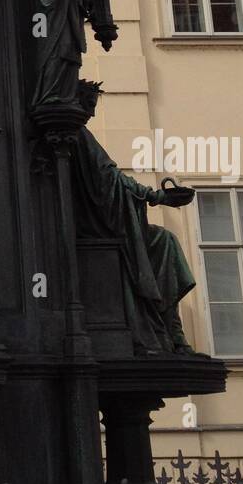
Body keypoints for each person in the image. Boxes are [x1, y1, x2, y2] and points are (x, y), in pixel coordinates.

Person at [72, 128, 201, 355]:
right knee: (159, 242)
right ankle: (159, 330)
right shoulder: (77, 131)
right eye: (89, 98)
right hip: (89, 222)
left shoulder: (80, 131)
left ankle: (170, 329)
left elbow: (111, 177)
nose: (92, 106)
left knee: (164, 240)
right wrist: (155, 196)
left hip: (98, 217)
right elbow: (107, 178)